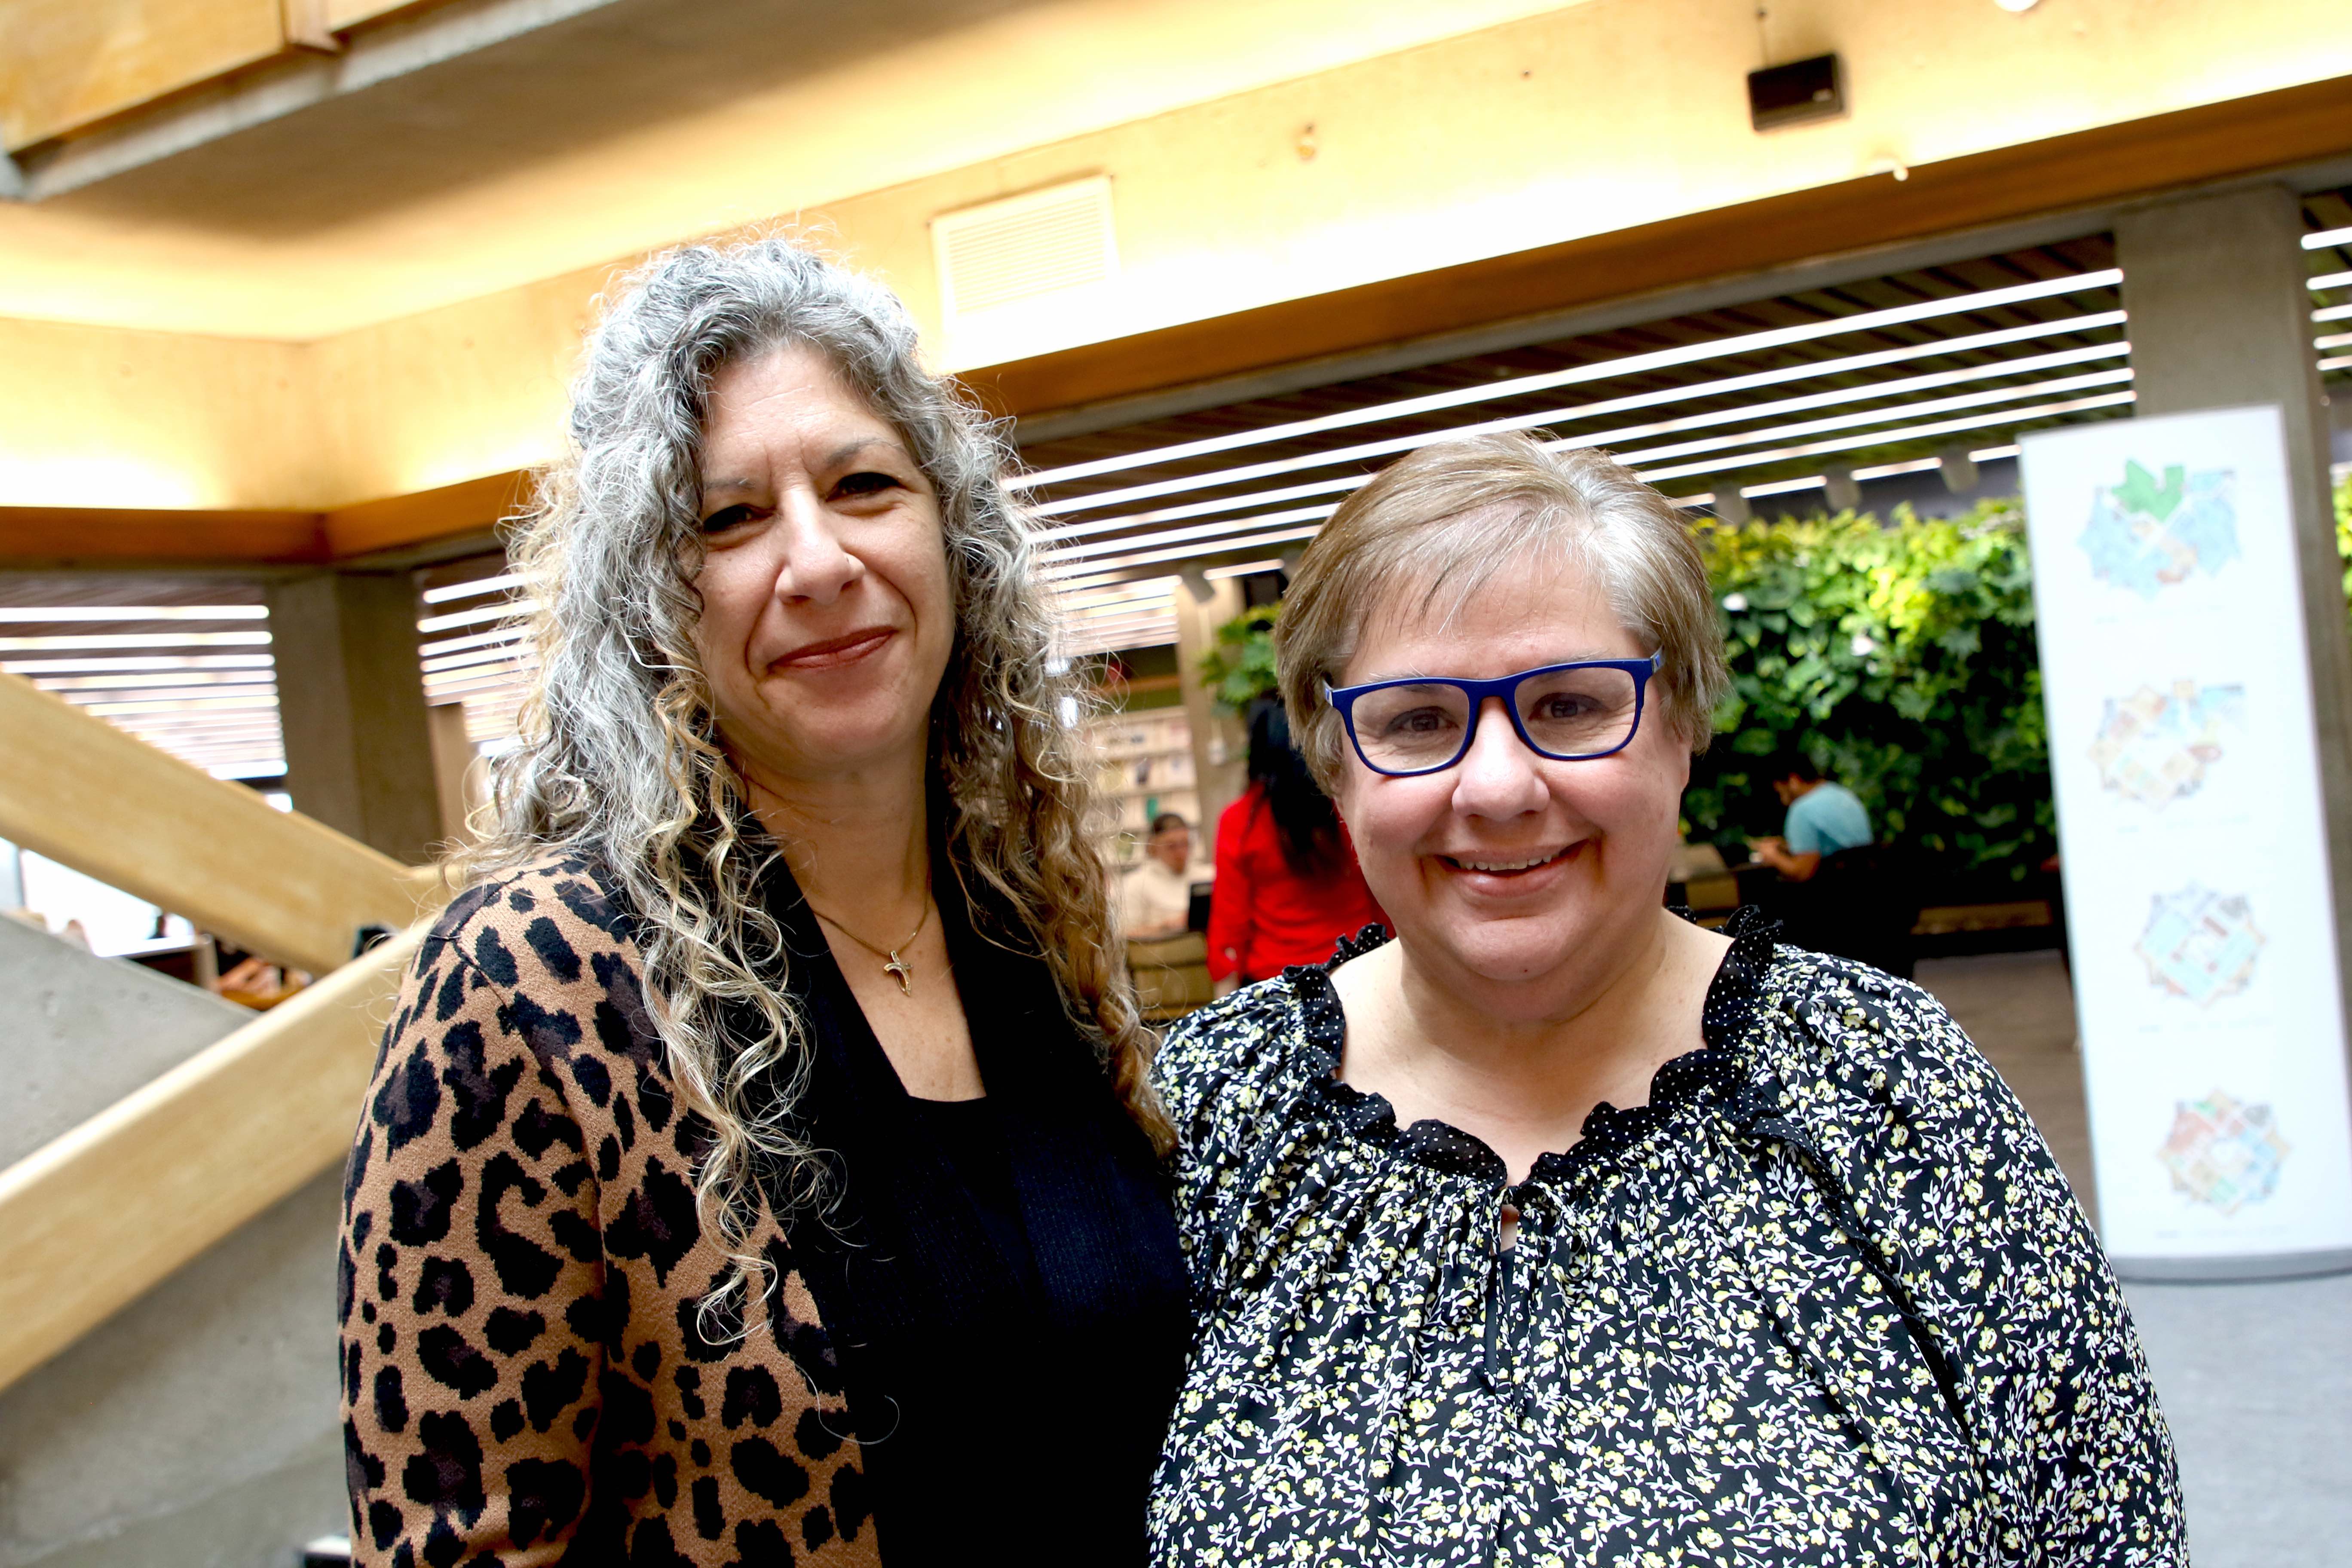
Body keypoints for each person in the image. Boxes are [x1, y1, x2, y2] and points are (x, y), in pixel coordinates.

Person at [1150, 433, 2184, 1566]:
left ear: (1683, 724)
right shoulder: (1208, 1112)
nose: (1497, 785)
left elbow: (2102, 1518)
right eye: (1417, 721)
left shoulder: (1882, 1079)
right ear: (1333, 754)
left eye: (1572, 705)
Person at [339, 239, 1188, 1566]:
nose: (819, 559)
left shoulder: (1031, 934)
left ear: (950, 540)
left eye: (863, 486)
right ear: (651, 604)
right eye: (728, 519)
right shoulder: (531, 986)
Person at [1204, 698, 1386, 989]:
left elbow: (1230, 922)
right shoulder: (1350, 809)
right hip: (1361, 973)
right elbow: (1383, 896)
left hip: (1276, 986)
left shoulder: (1241, 821)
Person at [1749, 752, 1873, 881]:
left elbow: (1803, 872)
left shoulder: (1802, 809)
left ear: (1793, 781)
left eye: (1780, 792)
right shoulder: (1842, 794)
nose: (1782, 800)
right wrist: (1785, 847)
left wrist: (1773, 856)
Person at [1120, 812, 1197, 939]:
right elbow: (1125, 935)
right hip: (1160, 954)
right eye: (1172, 846)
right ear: (1153, 848)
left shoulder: (1207, 875)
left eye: (1185, 844)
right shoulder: (1136, 883)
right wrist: (1166, 927)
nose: (1180, 852)